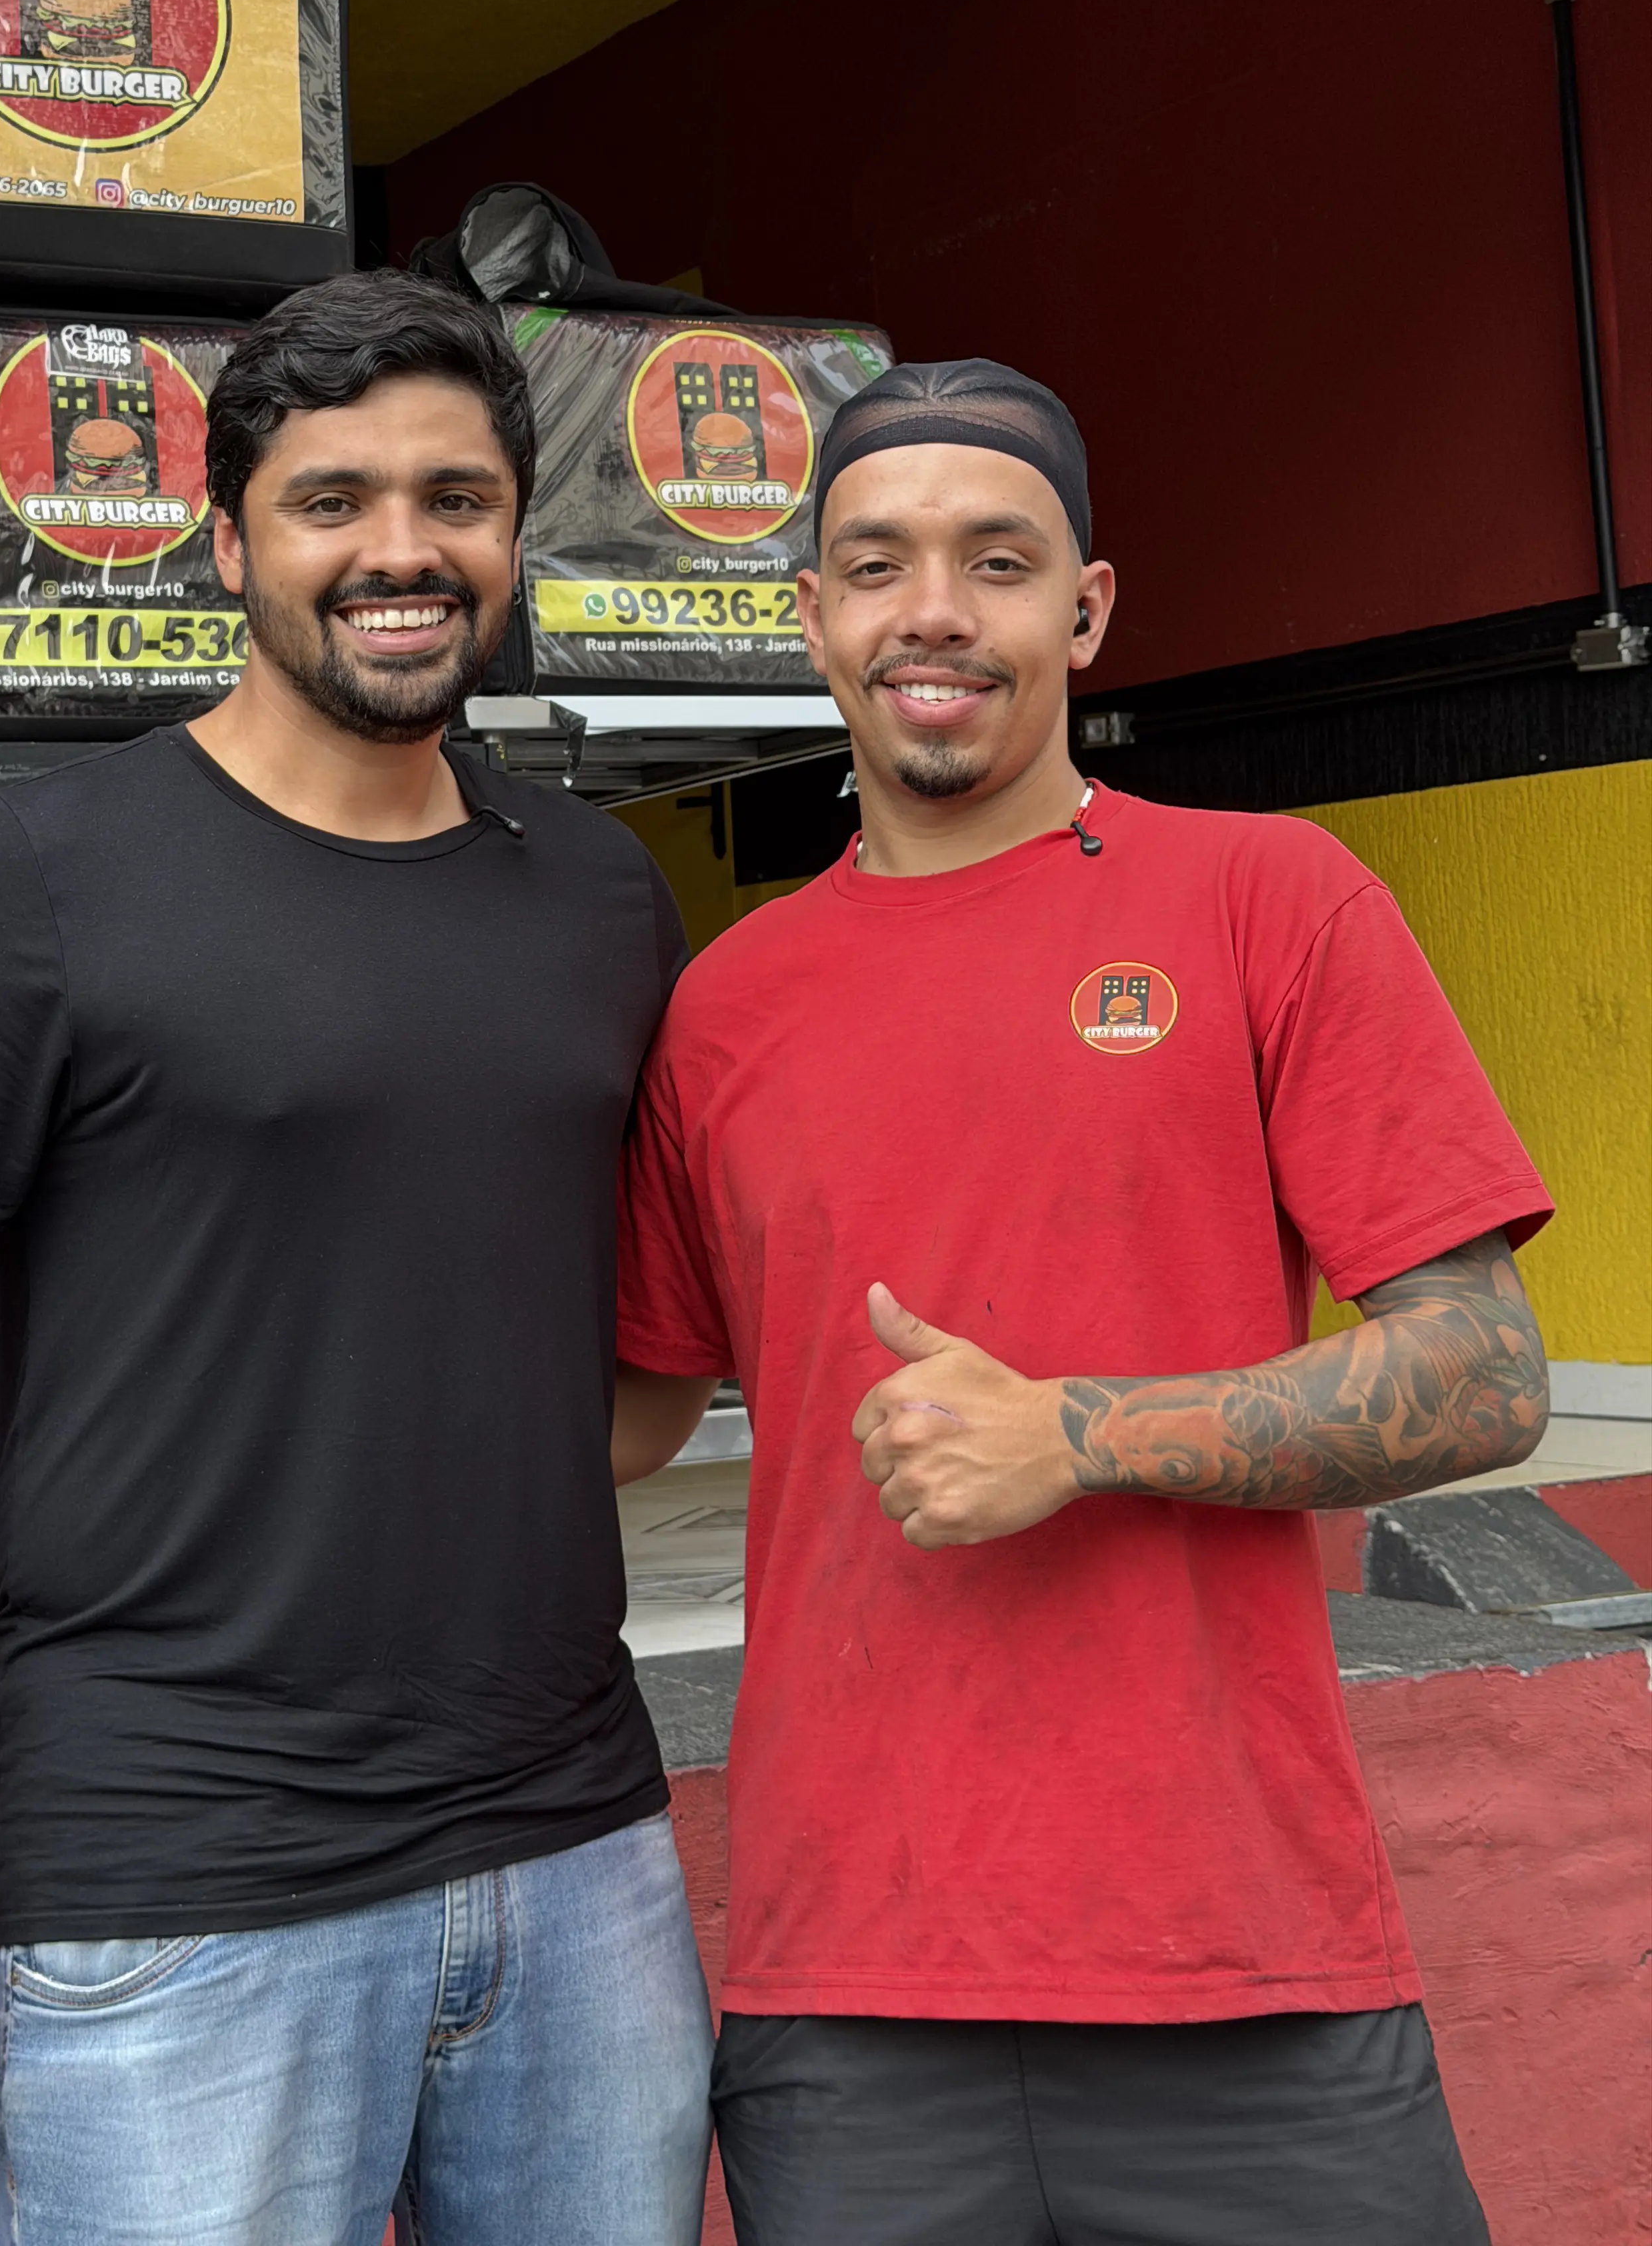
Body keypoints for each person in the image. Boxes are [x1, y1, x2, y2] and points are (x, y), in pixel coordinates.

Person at [0, 271, 715, 2245]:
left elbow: (625, 1372)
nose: (400, 549)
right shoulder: (41, 881)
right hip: (184, 1889)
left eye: (456, 499)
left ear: (515, 537)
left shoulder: (605, 897)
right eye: (331, 497)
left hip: (575, 1857)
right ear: (230, 545)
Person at [611, 358, 1552, 2246]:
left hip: (1244, 1963)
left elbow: (1487, 1374)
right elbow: (624, 1415)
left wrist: (1083, 1436)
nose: (934, 612)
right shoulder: (724, 1005)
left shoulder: (1266, 900)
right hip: (852, 1985)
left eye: (997, 560)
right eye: (875, 566)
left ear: (1086, 608)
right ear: (813, 620)